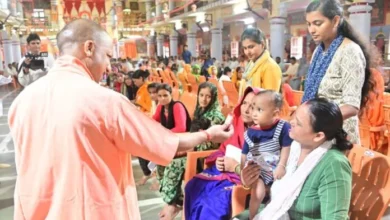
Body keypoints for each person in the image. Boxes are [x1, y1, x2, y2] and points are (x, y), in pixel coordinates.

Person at [9, 19, 234, 220]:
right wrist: (208, 135)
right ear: (89, 47)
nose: (108, 66)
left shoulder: (22, 101)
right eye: (107, 56)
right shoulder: (104, 101)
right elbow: (165, 144)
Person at [236, 98, 352, 220]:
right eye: (294, 116)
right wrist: (249, 181)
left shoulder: (334, 165)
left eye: (298, 122)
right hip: (274, 212)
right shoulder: (295, 148)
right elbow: (279, 192)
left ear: (318, 136)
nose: (291, 122)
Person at [302, 0, 374, 143]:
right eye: (309, 24)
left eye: (317, 23)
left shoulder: (349, 51)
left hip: (338, 134)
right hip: (316, 131)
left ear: (335, 21)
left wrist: (316, 120)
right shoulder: (319, 50)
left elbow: (351, 106)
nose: (312, 30)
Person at [185, 87, 258, 219]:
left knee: (211, 204)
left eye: (253, 106)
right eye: (244, 103)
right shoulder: (237, 123)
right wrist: (219, 160)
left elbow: (262, 168)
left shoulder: (265, 133)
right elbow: (223, 149)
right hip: (224, 172)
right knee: (192, 186)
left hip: (242, 180)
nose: (246, 110)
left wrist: (235, 166)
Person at [241, 90, 292, 219]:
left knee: (278, 192)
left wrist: (282, 165)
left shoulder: (282, 127)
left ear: (275, 113)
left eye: (259, 110)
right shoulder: (251, 132)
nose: (254, 113)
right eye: (253, 108)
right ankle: (253, 216)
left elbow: (286, 147)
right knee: (258, 192)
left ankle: (271, 214)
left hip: (275, 166)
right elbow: (244, 154)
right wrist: (243, 170)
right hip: (258, 168)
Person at [152, 83, 192, 219]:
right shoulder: (161, 108)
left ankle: (171, 203)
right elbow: (153, 121)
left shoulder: (177, 106)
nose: (162, 99)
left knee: (168, 162)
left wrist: (162, 134)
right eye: (159, 96)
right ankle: (175, 200)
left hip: (183, 142)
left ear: (171, 95)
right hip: (170, 141)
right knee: (156, 158)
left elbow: (181, 127)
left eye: (165, 95)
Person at [239, 28, 282, 97]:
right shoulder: (251, 64)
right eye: (245, 48)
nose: (247, 52)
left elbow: (269, 100)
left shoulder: (270, 67)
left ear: (262, 44)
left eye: (251, 47)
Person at [193, 82, 226, 151]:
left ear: (214, 98)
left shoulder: (216, 117)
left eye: (208, 96)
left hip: (204, 156)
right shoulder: (200, 110)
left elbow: (210, 145)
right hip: (193, 148)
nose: (204, 99)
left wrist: (189, 146)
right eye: (201, 95)